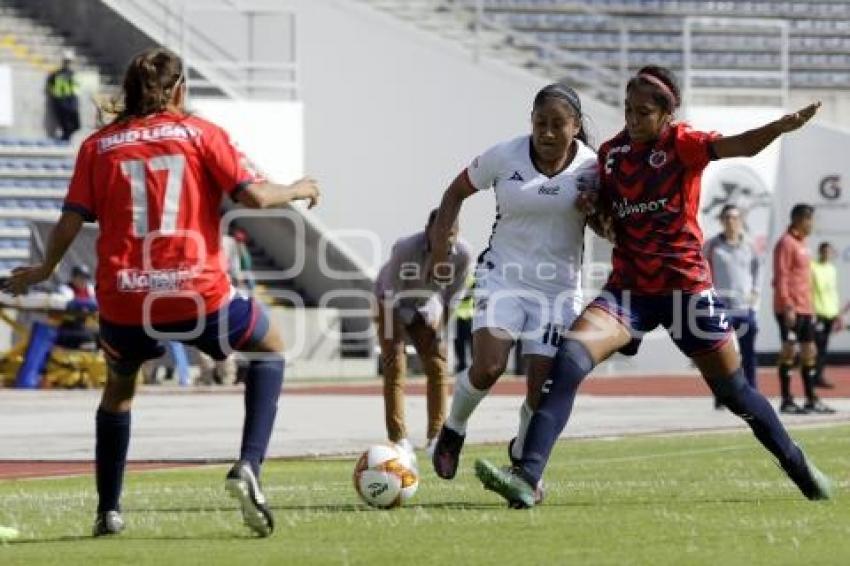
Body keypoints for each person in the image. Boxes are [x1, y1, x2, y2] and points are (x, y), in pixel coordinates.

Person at [473, 65, 833, 508]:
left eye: (643, 112)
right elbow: (608, 223)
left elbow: (736, 146)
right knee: (569, 357)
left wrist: (778, 127)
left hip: (685, 292)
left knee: (734, 391)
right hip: (629, 292)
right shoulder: (609, 155)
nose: (633, 119)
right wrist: (593, 209)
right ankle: (527, 478)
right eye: (628, 110)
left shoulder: (682, 143)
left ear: (666, 115)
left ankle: (798, 465)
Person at [4, 47, 320, 537]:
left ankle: (108, 510)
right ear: (178, 90)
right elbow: (255, 196)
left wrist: (45, 267)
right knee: (270, 345)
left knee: (119, 391)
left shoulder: (98, 145)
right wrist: (299, 187)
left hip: (126, 299)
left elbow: (71, 217)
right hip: (197, 293)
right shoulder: (201, 133)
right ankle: (249, 465)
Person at [429, 83, 598, 491]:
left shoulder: (594, 167)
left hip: (558, 290)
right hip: (502, 276)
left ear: (575, 126)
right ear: (531, 123)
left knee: (542, 389)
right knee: (488, 366)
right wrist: (440, 250)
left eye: (559, 124)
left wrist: (596, 212)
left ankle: (523, 455)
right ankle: (453, 428)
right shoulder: (504, 155)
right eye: (541, 123)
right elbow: (454, 193)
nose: (548, 132)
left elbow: (609, 225)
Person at [375, 209, 472, 455]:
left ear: (457, 233)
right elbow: (390, 292)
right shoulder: (405, 248)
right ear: (428, 230)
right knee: (395, 363)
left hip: (427, 303)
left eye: (451, 234)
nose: (446, 240)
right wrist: (402, 327)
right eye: (440, 233)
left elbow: (453, 297)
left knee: (438, 363)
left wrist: (438, 331)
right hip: (390, 300)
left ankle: (435, 436)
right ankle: (399, 439)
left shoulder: (463, 255)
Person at [773, 205, 834, 414]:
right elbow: (781, 276)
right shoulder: (785, 243)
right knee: (789, 350)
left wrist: (811, 307)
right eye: (810, 220)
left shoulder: (804, 244)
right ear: (799, 220)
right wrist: (788, 305)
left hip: (806, 309)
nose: (812, 224)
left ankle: (811, 399)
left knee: (810, 352)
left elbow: (804, 280)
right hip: (790, 309)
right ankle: (786, 400)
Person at [703, 204, 761, 407]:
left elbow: (757, 271)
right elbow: (702, 272)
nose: (731, 221)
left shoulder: (750, 245)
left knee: (748, 353)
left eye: (735, 218)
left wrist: (755, 294)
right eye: (727, 217)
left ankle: (753, 393)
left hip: (744, 308)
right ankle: (723, 396)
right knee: (722, 355)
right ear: (721, 220)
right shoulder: (712, 246)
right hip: (721, 309)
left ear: (741, 221)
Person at [811, 241, 841, 388]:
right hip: (818, 313)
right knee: (815, 346)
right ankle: (812, 376)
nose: (826, 254)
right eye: (824, 251)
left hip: (830, 313)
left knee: (823, 348)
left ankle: (818, 376)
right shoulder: (813, 267)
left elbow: (832, 292)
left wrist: (837, 314)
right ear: (820, 252)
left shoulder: (831, 269)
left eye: (829, 252)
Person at [46, 50, 81, 141]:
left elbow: (76, 87)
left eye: (69, 61)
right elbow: (50, 87)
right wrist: (57, 97)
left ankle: (65, 138)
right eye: (67, 61)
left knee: (76, 126)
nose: (68, 63)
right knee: (66, 127)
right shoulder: (56, 74)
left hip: (71, 102)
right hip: (61, 103)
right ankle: (65, 140)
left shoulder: (72, 73)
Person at [453, 272, 475, 373]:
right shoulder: (456, 279)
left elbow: (468, 296)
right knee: (459, 343)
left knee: (472, 343)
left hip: (469, 315)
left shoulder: (471, 279)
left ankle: (474, 365)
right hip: (458, 315)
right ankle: (461, 365)